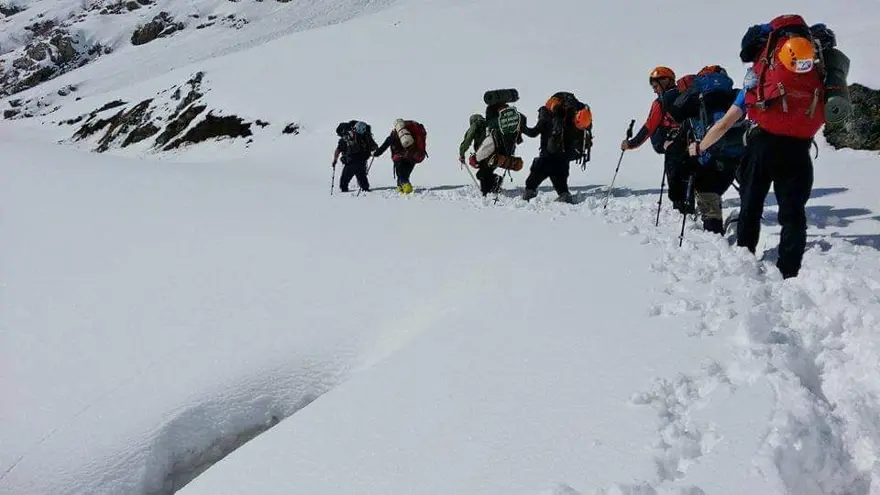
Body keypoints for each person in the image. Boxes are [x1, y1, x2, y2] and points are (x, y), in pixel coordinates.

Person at [688, 15, 834, 278]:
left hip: (762, 144)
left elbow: (723, 125)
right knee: (793, 213)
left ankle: (745, 258)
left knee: (751, 204)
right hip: (800, 149)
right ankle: (790, 272)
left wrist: (700, 147)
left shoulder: (758, 74)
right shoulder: (816, 70)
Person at [669, 65, 745, 234]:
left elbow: (675, 112)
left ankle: (714, 232)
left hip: (709, 155)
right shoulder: (734, 92)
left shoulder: (697, 95)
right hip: (738, 154)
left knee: (706, 189)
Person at [621, 67, 691, 213]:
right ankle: (690, 205)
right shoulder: (688, 95)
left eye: (655, 86)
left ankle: (681, 209)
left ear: (665, 81)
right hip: (692, 142)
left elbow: (649, 127)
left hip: (672, 144)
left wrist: (631, 144)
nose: (654, 90)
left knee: (675, 175)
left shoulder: (660, 102)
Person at [521, 92, 593, 203]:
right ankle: (563, 194)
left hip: (549, 153)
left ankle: (530, 191)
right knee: (559, 172)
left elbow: (533, 132)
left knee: (539, 169)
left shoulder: (547, 115)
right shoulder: (574, 114)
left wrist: (521, 127)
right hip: (564, 154)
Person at [374, 118, 427, 194]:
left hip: (399, 157)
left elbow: (385, 145)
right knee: (405, 174)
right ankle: (401, 189)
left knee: (401, 175)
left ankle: (406, 189)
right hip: (413, 156)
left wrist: (376, 153)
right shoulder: (411, 131)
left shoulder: (395, 133)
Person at [459, 114, 502, 195]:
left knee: (482, 174)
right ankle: (494, 184)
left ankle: (488, 191)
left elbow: (468, 139)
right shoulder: (489, 124)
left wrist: (462, 153)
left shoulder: (476, 125)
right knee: (483, 173)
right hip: (497, 152)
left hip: (486, 155)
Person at [332, 121, 377, 192]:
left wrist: (335, 160)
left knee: (344, 183)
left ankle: (344, 197)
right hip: (362, 162)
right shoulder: (365, 136)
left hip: (350, 163)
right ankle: (366, 194)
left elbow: (338, 150)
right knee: (363, 182)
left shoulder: (346, 137)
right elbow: (374, 147)